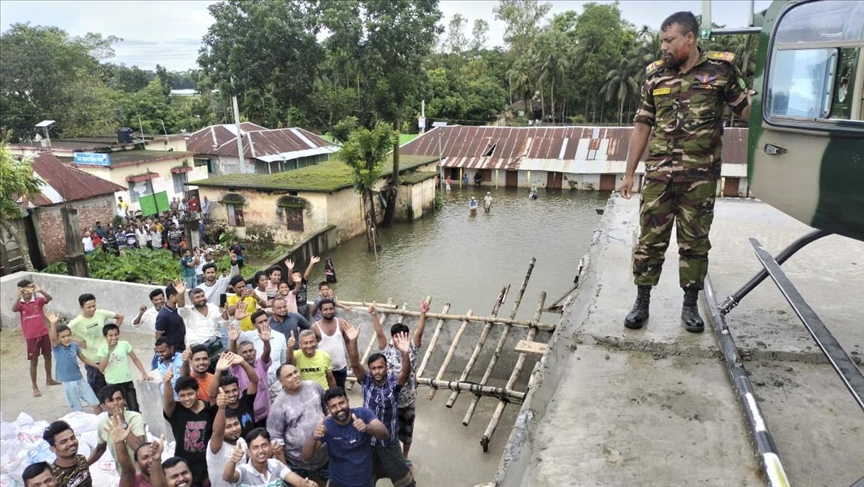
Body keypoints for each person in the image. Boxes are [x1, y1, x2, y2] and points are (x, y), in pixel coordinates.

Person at [618, 11, 752, 334]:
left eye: (669, 41)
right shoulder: (655, 75)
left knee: (694, 243)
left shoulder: (721, 70)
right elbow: (642, 125)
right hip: (659, 177)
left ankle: (690, 306)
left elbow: (745, 110)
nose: (663, 47)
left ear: (689, 39)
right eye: (661, 41)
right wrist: (628, 173)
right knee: (650, 241)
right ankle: (641, 303)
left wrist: (766, 104)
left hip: (699, 178)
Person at [343, 324, 415, 486]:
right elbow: (355, 365)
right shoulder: (366, 381)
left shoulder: (393, 382)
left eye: (380, 367)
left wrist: (405, 353)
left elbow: (406, 372)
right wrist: (352, 342)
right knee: (365, 479)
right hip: (367, 441)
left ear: (386, 367)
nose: (377, 371)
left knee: (405, 481)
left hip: (389, 441)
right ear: (370, 370)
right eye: (374, 368)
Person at [369, 299, 429, 460]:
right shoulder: (386, 351)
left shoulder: (412, 350)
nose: (399, 339)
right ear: (392, 338)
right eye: (396, 336)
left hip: (408, 400)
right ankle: (393, 455)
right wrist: (374, 314)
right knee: (390, 430)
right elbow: (379, 333)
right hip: (391, 401)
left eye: (403, 336)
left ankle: (405, 456)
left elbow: (419, 332)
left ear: (407, 337)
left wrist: (423, 313)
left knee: (408, 432)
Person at [302, 387, 390, 487]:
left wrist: (367, 427)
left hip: (365, 481)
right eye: (334, 406)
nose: (339, 408)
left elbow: (385, 434)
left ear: (348, 401)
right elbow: (305, 457)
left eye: (341, 403)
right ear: (328, 409)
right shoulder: (326, 426)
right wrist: (314, 437)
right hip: (338, 483)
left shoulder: (363, 413)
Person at [267, 364, 328, 483]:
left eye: (295, 372)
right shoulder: (278, 406)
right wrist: (285, 469)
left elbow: (326, 408)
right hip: (298, 463)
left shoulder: (314, 386)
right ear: (281, 382)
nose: (295, 376)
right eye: (289, 375)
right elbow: (276, 439)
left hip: (324, 456)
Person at [162, 372, 216, 486]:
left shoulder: (209, 409)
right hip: (184, 468)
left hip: (207, 465)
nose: (186, 399)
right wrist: (166, 383)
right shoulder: (176, 410)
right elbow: (168, 401)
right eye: (182, 395)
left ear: (197, 392)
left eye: (190, 394)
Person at [68, 293, 124, 398]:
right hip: (92, 359)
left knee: (114, 385)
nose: (92, 309)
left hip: (107, 355)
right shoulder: (75, 322)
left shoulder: (101, 313)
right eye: (89, 307)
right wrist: (78, 341)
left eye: (94, 306)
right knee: (98, 387)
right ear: (81, 308)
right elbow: (61, 335)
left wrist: (112, 335)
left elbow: (120, 317)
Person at [46, 311, 102, 414]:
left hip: (80, 379)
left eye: (68, 335)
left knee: (95, 403)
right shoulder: (57, 348)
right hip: (68, 383)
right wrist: (53, 324)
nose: (66, 338)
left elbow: (84, 359)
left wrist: (97, 366)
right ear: (58, 338)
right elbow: (53, 338)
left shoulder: (74, 346)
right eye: (62, 337)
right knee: (77, 410)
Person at [12, 279, 58, 397]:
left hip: (43, 333)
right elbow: (13, 309)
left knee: (48, 355)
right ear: (20, 290)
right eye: (25, 289)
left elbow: (49, 299)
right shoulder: (20, 304)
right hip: (31, 337)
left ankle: (49, 379)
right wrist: (18, 296)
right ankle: (35, 386)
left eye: (29, 288)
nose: (27, 292)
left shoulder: (38, 300)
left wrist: (40, 290)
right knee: (34, 361)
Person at [223, 429, 316, 487]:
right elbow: (227, 477)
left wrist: (308, 484)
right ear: (249, 452)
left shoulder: (276, 464)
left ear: (270, 446)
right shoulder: (244, 471)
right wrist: (233, 461)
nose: (261, 451)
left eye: (264, 445)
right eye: (255, 447)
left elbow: (299, 482)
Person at [87, 385, 147, 475]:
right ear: (103, 405)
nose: (116, 403)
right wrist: (85, 465)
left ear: (124, 401)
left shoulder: (135, 417)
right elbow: (100, 449)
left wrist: (122, 422)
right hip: (124, 473)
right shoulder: (103, 423)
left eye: (119, 399)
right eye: (110, 401)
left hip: (142, 471)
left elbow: (139, 448)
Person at [232, 308, 286, 402]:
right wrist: (237, 320)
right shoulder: (249, 336)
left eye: (265, 320)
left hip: (277, 384)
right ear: (254, 325)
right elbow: (234, 335)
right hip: (257, 385)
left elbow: (283, 361)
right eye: (260, 322)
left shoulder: (280, 336)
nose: (264, 324)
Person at [97, 323, 153, 411]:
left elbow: (135, 359)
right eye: (110, 335)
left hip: (127, 381)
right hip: (113, 384)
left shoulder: (124, 344)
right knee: (118, 408)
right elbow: (101, 368)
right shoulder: (102, 349)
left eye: (116, 334)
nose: (114, 337)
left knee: (134, 407)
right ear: (105, 337)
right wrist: (109, 351)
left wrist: (144, 373)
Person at [208, 352, 260, 439]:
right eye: (227, 392)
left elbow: (255, 381)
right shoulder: (219, 409)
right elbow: (212, 395)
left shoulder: (246, 401)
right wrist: (218, 370)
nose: (231, 394)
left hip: (250, 447)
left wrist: (243, 362)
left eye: (234, 390)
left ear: (239, 389)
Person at [206, 389, 246, 487]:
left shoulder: (241, 442)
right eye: (228, 427)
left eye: (236, 424)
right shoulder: (216, 447)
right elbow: (218, 432)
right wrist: (221, 408)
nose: (234, 429)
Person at [309, 299, 349, 389]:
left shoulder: (341, 323)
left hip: (340, 367)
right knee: (325, 395)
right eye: (325, 309)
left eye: (331, 309)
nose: (329, 311)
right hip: (323, 369)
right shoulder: (315, 327)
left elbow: (349, 342)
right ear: (320, 311)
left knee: (340, 393)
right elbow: (311, 348)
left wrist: (353, 362)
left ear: (334, 309)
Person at [43, 420, 92, 487]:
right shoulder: (54, 477)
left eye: (73, 438)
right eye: (63, 442)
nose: (71, 443)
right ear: (53, 449)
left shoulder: (81, 459)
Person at [286, 256, 320, 321]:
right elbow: (289, 279)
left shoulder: (303, 283)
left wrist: (311, 263)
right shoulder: (292, 285)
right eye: (295, 276)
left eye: (299, 276)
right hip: (296, 307)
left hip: (305, 305)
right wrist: (290, 269)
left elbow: (306, 274)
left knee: (306, 321)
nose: (297, 277)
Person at [155, 284, 186, 352]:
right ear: (172, 297)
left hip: (182, 348)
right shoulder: (163, 315)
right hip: (172, 351)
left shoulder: (179, 310)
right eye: (179, 295)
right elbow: (158, 336)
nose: (181, 297)